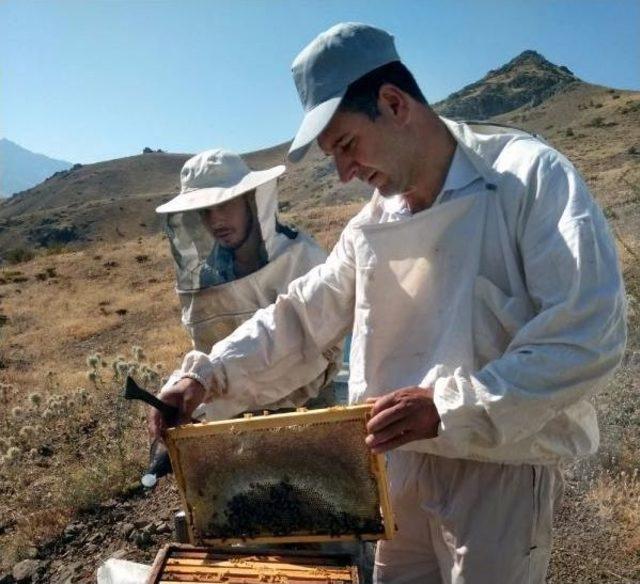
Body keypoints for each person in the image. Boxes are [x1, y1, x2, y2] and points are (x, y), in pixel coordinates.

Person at [149, 24, 627, 583]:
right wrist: (209, 374)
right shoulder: (371, 226)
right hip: (397, 469)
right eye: (333, 156)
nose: (345, 172)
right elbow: (304, 316)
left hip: (498, 472)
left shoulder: (529, 178)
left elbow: (585, 334)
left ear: (394, 104)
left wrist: (446, 407)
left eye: (346, 145)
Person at [154, 148, 340, 423]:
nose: (215, 220)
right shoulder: (208, 276)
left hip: (311, 411)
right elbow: (208, 353)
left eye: (225, 204)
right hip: (235, 418)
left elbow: (323, 347)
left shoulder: (302, 257)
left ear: (250, 201)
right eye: (205, 210)